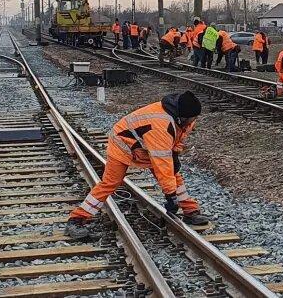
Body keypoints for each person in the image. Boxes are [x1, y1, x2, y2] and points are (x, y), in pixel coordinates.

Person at [65, 91, 210, 239]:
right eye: (191, 119)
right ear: (181, 117)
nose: (193, 122)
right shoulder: (160, 125)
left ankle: (190, 211)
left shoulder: (185, 117)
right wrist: (170, 195)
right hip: (122, 144)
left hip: (145, 145)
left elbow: (181, 134)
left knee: (174, 174)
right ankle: (77, 219)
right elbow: (162, 165)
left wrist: (175, 152)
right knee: (110, 183)